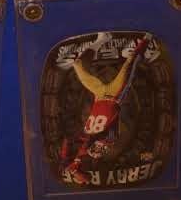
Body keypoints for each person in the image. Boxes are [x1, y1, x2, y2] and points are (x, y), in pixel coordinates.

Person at [61, 31, 152, 185]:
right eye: (98, 152)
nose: (97, 151)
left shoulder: (82, 145)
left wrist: (67, 160)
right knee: (130, 63)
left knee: (78, 64)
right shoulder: (105, 143)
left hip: (99, 94)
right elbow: (102, 141)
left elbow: (68, 139)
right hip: (115, 95)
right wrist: (76, 167)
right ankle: (148, 37)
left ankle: (103, 39)